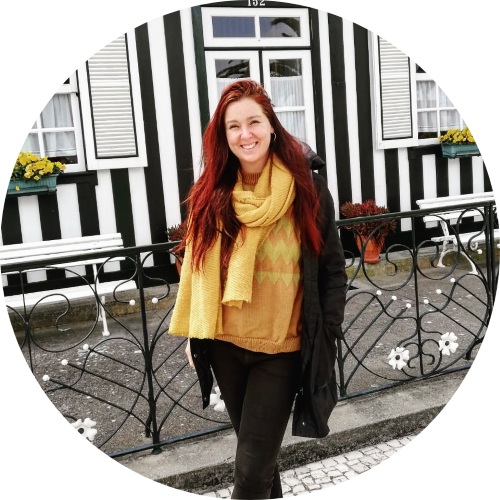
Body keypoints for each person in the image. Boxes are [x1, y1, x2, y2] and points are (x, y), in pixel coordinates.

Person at [169, 79, 347, 499]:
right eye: (234, 126)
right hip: (224, 345)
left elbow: (332, 270)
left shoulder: (306, 189)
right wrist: (195, 333)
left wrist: (326, 332)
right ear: (223, 135)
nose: (245, 134)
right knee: (262, 464)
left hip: (282, 350)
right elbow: (197, 270)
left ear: (271, 126)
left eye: (254, 122)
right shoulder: (210, 193)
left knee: (249, 472)